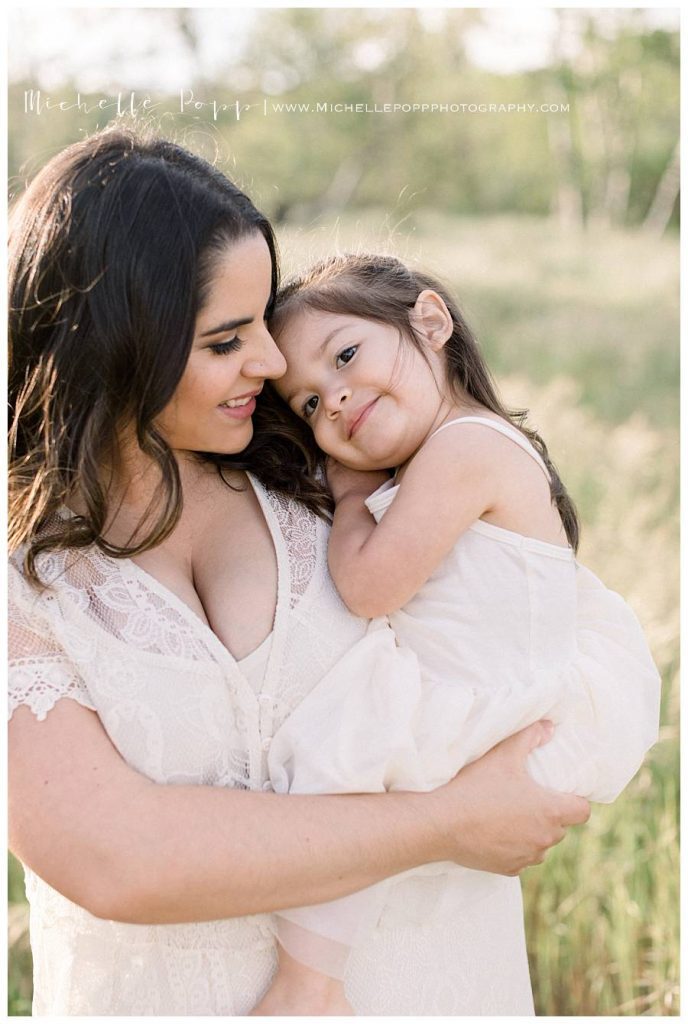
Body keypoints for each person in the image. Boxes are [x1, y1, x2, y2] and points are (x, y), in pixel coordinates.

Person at [8, 123, 595, 1017]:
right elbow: (112, 858)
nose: (276, 364)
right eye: (225, 339)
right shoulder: (26, 574)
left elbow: (532, 612)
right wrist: (449, 822)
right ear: (117, 344)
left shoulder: (331, 473)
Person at [247, 253, 661, 1013]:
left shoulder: (463, 448)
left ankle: (309, 984)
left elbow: (371, 588)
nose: (334, 399)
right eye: (307, 406)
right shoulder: (459, 446)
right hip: (498, 691)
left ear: (430, 322)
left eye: (345, 356)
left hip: (494, 705)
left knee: (340, 741)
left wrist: (347, 496)